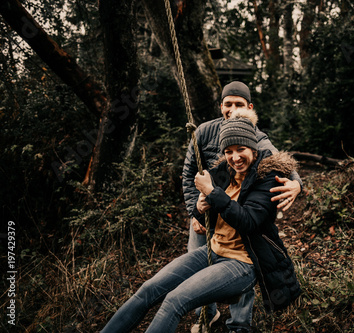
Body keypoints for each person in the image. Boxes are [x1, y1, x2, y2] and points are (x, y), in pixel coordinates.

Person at [100, 110, 301, 333]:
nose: (235, 157)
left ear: (253, 147)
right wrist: (199, 207)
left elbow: (248, 221)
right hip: (213, 250)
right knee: (148, 289)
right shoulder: (224, 172)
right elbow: (206, 214)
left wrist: (213, 193)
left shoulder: (267, 178)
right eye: (229, 151)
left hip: (242, 263)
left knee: (175, 300)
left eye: (241, 149)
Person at [182, 81, 302, 332]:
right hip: (206, 212)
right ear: (221, 106)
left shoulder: (256, 135)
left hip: (236, 214)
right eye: (228, 104)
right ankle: (206, 316)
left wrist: (297, 184)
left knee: (240, 260)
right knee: (196, 265)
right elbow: (189, 173)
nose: (232, 108)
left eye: (239, 104)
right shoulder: (204, 132)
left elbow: (284, 165)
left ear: (249, 107)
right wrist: (195, 209)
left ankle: (238, 324)